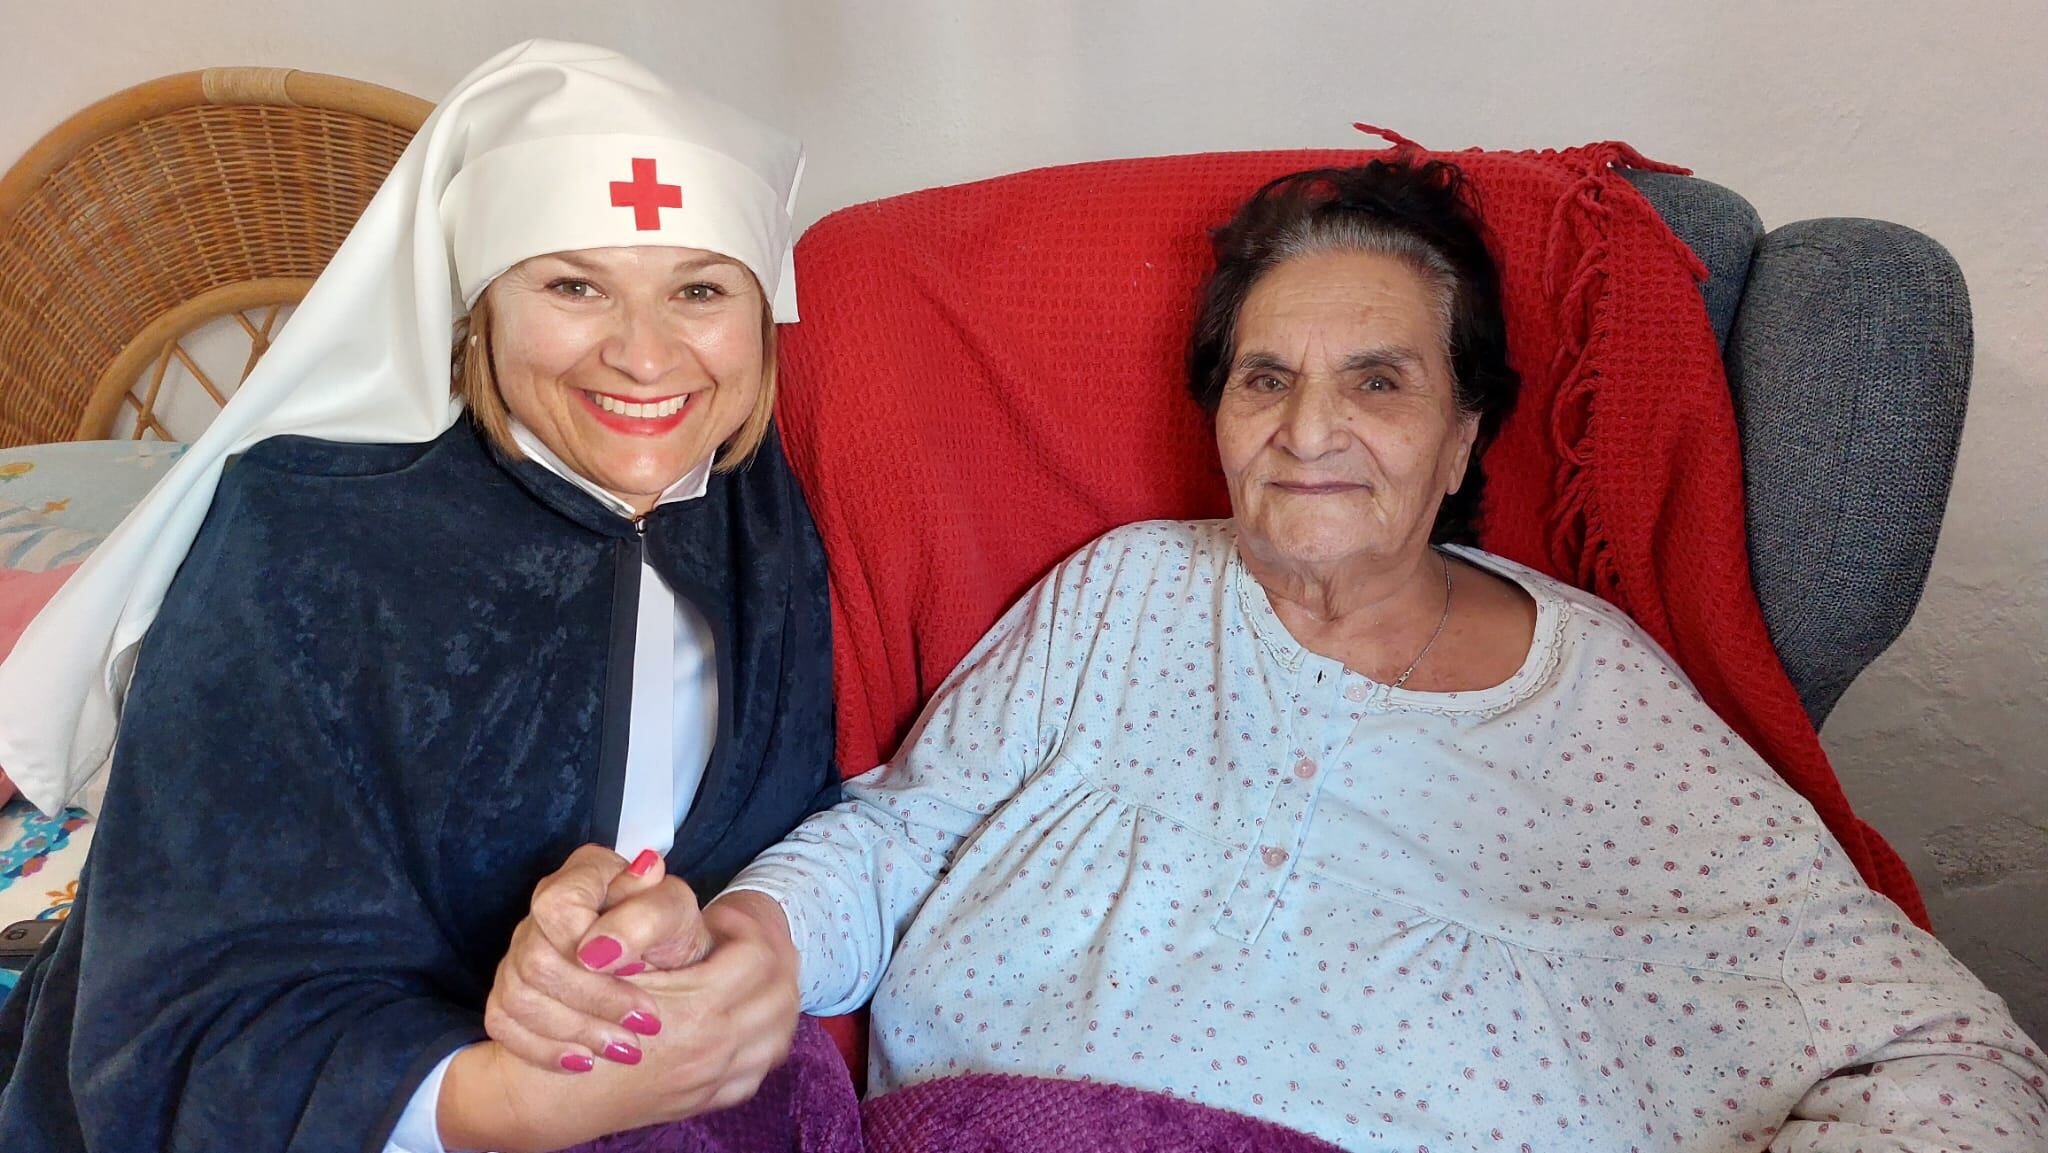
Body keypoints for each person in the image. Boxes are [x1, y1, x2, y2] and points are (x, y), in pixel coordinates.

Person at [501, 157, 2048, 1151]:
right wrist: (752, 937)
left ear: (1463, 437)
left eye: (1377, 382)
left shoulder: (1589, 689)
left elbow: (1944, 1052)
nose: (1309, 434)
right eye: (1264, 379)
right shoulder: (1121, 589)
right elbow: (899, 837)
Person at [0, 40, 836, 1152]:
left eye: (697, 289)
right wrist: (511, 1102)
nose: (645, 355)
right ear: (479, 304)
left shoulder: (751, 505)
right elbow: (171, 1033)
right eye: (574, 284)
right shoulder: (300, 540)